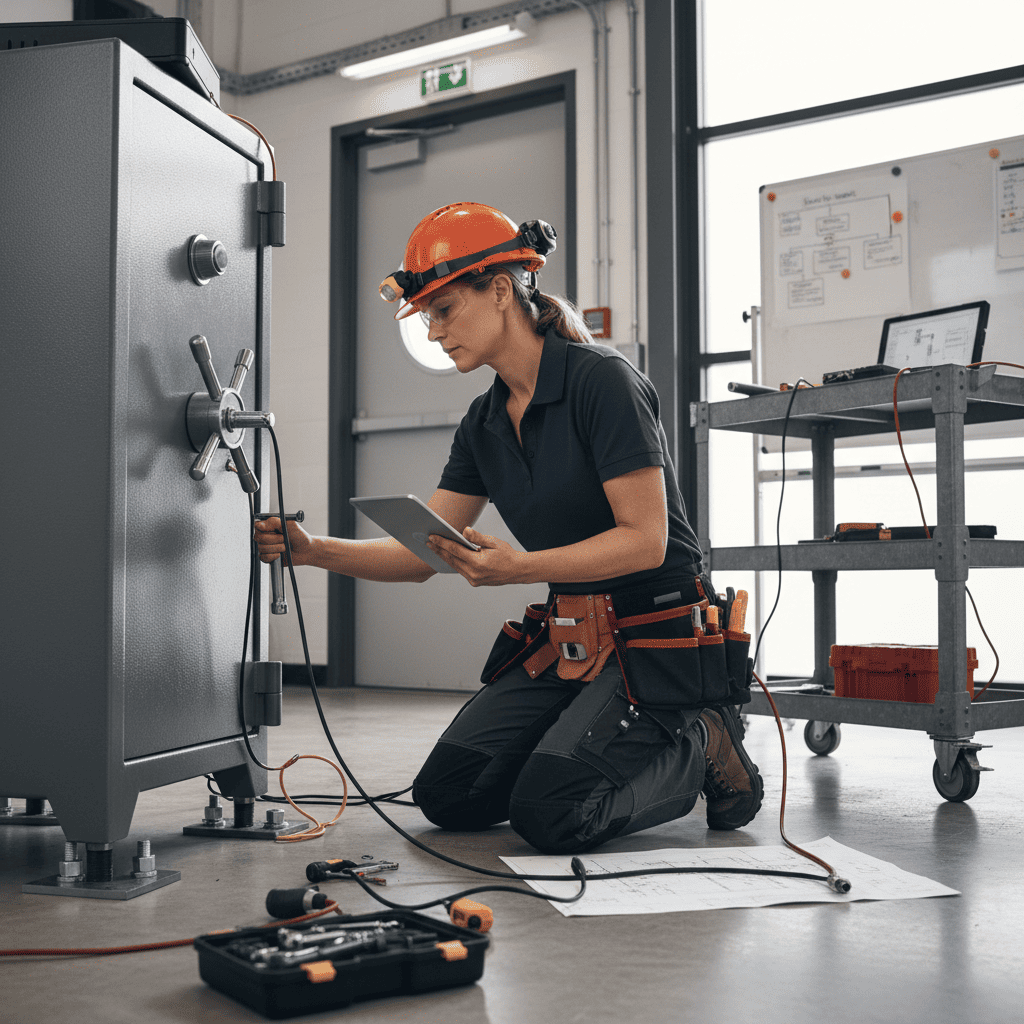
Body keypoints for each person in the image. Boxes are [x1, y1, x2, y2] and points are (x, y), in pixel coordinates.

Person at [254, 201, 762, 854]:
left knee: (553, 815)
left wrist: (519, 567)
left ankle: (705, 737)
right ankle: (583, 747)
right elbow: (425, 552)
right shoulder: (484, 420)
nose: (435, 333)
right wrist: (311, 550)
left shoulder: (602, 383)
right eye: (427, 317)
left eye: (443, 310)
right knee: (449, 796)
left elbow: (645, 540)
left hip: (654, 632)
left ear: (499, 290)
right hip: (574, 634)